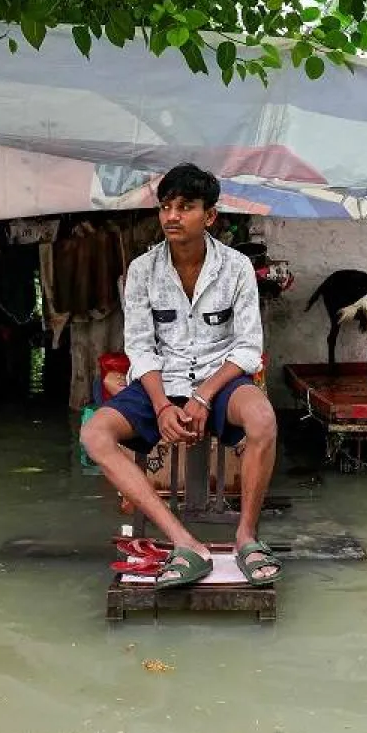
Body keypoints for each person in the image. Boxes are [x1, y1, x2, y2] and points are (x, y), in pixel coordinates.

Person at [80, 163, 282, 590]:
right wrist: (160, 405)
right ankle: (185, 543)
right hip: (161, 383)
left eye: (185, 207)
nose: (172, 216)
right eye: (166, 206)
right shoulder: (141, 270)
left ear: (209, 216)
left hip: (220, 382)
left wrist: (205, 395)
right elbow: (139, 346)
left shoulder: (237, 267)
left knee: (264, 418)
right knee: (95, 434)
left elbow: (247, 347)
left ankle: (246, 536)